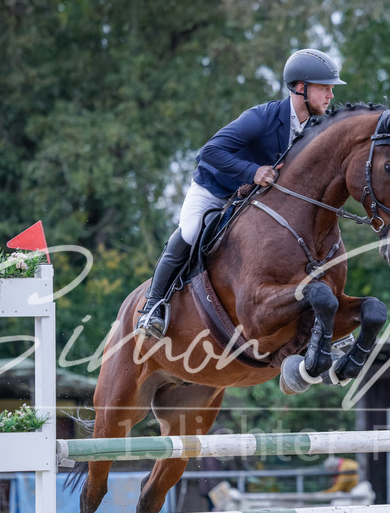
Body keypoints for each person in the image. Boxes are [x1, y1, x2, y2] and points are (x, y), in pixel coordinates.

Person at [136, 48, 346, 338]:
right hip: (216, 190)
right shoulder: (261, 117)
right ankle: (153, 306)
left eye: (331, 89)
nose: (330, 96)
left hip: (257, 201)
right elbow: (209, 152)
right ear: (301, 88)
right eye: (325, 88)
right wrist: (253, 171)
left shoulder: (317, 128)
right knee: (192, 231)